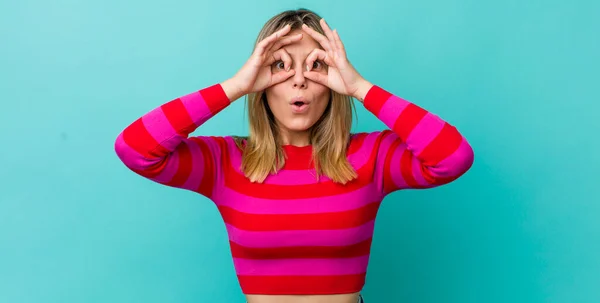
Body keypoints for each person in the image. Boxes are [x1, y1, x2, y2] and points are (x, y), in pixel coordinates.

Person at [114, 8, 474, 303]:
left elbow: (453, 157)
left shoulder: (372, 156)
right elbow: (135, 149)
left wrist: (360, 88)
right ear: (262, 80)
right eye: (281, 66)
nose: (299, 79)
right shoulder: (225, 161)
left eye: (316, 65)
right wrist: (235, 87)